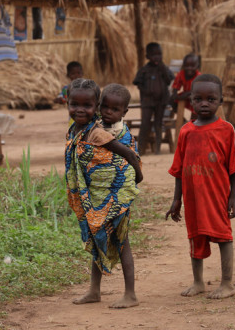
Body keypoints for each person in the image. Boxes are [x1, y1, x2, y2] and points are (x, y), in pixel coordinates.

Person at [65, 78, 143, 308]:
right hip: (95, 196)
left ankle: (131, 294)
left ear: (95, 105)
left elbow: (127, 154)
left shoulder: (97, 132)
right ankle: (94, 290)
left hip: (113, 194)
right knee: (97, 238)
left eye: (86, 106)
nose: (80, 110)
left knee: (122, 241)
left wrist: (137, 175)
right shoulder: (77, 129)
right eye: (74, 104)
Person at [165, 74, 235, 299]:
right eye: (198, 99)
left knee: (223, 236)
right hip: (192, 199)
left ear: (220, 101)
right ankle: (198, 282)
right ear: (191, 100)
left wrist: (233, 197)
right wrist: (176, 200)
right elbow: (179, 170)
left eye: (211, 99)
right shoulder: (186, 131)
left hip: (217, 196)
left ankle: (227, 283)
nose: (204, 103)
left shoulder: (226, 129)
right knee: (195, 236)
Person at [133, 42, 174, 154]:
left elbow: (169, 80)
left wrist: (163, 68)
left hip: (161, 101)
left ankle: (157, 149)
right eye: (154, 55)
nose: (157, 57)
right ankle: (140, 149)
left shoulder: (164, 68)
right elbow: (137, 83)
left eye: (159, 54)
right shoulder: (144, 70)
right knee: (145, 123)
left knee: (158, 123)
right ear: (148, 57)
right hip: (147, 101)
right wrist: (146, 91)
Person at [171, 53, 201, 119]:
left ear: (197, 66)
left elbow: (198, 90)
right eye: (187, 66)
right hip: (185, 96)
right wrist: (175, 93)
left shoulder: (198, 76)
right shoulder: (181, 74)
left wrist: (187, 93)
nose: (189, 68)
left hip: (195, 96)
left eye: (192, 66)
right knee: (171, 99)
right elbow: (176, 84)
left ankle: (194, 121)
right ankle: (181, 118)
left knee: (197, 103)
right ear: (183, 65)